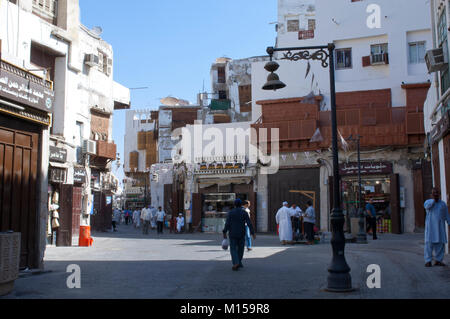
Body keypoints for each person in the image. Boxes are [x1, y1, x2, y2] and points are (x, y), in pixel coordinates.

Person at [223, 199, 256, 271]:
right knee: (241, 248)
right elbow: (249, 223)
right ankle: (239, 262)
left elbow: (227, 223)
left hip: (232, 233)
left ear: (234, 205)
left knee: (233, 248)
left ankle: (236, 262)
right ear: (241, 204)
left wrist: (224, 232)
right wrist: (252, 233)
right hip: (241, 232)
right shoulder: (244, 212)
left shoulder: (230, 213)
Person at [424, 187, 450, 267]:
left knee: (440, 245)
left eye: (437, 193)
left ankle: (438, 260)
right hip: (431, 228)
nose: (435, 194)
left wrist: (449, 222)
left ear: (439, 194)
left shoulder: (443, 204)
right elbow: (427, 207)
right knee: (429, 245)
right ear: (431, 194)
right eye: (434, 193)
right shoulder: (428, 202)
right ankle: (428, 260)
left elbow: (446, 215)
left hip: (440, 228)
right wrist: (433, 201)